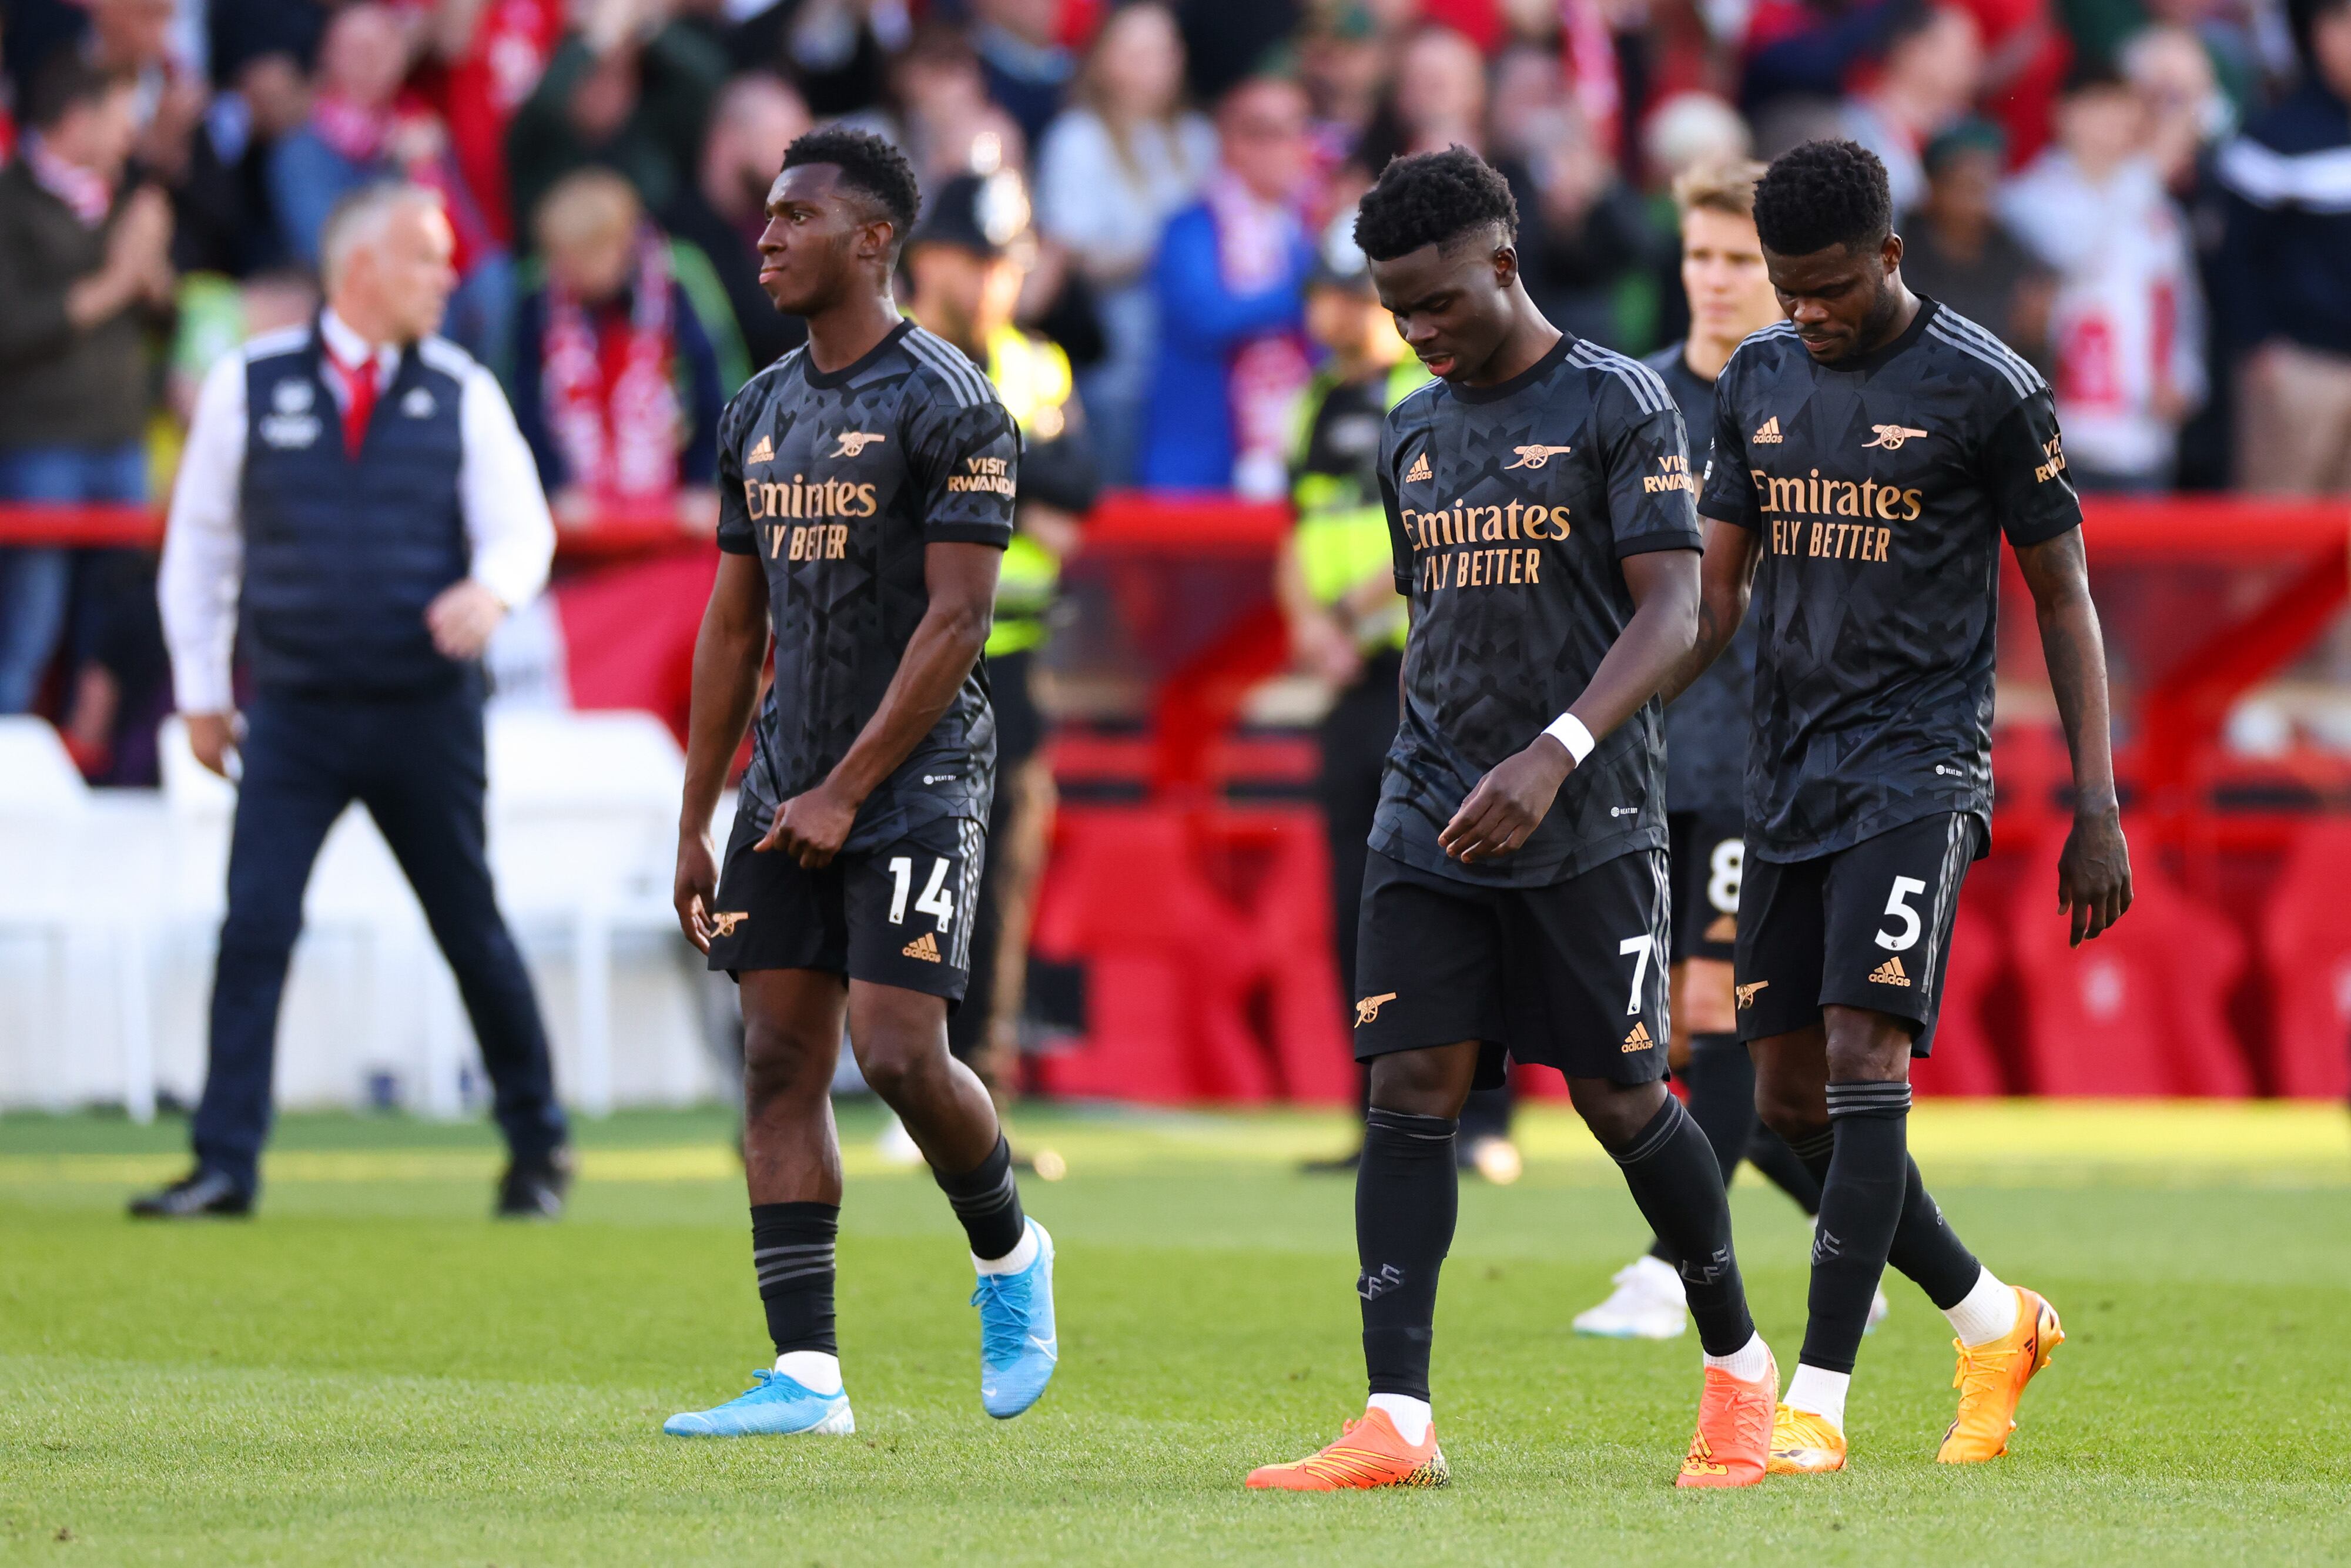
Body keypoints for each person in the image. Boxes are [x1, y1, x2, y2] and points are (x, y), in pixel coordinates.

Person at [1246, 148, 1778, 1495]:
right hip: (1426, 810)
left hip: (1585, 813)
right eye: (1394, 308)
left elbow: (1677, 611)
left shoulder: (1616, 404)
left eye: (1433, 301)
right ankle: (1395, 1420)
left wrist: (1553, 750)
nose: (1415, 330)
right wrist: (1441, 767)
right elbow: (1437, 621)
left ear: (1501, 262)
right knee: (1408, 1093)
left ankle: (1737, 1375)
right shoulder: (1412, 428)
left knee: (1616, 1097)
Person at [1681, 139, 2132, 1473]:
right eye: (1784, 286)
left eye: (1825, 286)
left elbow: (2063, 597)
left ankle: (1816, 1398)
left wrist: (2093, 807)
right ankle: (1994, 1317)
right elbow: (1712, 597)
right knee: (1778, 1106)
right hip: (1783, 775)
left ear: (1888, 257)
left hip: (1916, 766)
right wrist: (1604, 724)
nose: (1803, 311)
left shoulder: (1987, 388)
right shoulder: (1754, 378)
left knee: (1868, 1061)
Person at [664, 126, 1057, 1439]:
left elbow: (957, 624)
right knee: (776, 1056)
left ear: (873, 238)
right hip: (781, 782)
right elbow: (731, 626)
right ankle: (806, 1377)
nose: (765, 236)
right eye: (765, 215)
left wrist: (845, 787)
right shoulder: (757, 407)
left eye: (795, 217)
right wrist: (697, 817)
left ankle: (1009, 1255)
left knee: (895, 1050)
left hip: (917, 777)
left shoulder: (954, 402)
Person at [136, 182, 574, 1219]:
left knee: (471, 926)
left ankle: (538, 1147)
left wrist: (493, 589)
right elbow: (197, 546)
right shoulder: (249, 383)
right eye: (428, 257)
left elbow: (525, 528)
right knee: (255, 928)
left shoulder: (461, 386)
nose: (447, 276)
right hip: (293, 711)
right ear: (362, 269)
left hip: (426, 711)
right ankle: (225, 1162)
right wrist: (203, 692)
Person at [1573, 160, 1886, 1342]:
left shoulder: (1816, 399)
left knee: (1713, 1007)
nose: (1712, 282)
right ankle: (1894, 1234)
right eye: (1698, 259)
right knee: (1662, 1023)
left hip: (1773, 757)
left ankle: (1671, 1265)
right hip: (1651, 757)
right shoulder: (1636, 399)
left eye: (1735, 262)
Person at [1276, 226, 1519, 1182]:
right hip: (1350, 680)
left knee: (1462, 890)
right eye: (1326, 292)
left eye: (1354, 293)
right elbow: (1295, 528)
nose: (1337, 310)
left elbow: (1435, 532)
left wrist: (1339, 613)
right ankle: (1379, 1110)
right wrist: (1311, 624)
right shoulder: (1312, 403)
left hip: (1434, 680)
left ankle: (1487, 1119)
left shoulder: (1419, 398)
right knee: (1357, 899)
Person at [900, 170, 1100, 1099]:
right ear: (930, 259)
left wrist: (967, 465)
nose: (994, 283)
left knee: (1000, 875)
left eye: (1007, 263)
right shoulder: (885, 356)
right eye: (978, 260)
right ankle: (896, 1070)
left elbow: (1072, 517)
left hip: (1011, 654)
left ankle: (977, 1087)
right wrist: (1013, 472)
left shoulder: (1037, 366)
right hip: (899, 657)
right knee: (898, 864)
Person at [0, 56, 172, 719]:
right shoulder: (11, 202)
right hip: (40, 441)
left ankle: (108, 757)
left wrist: (154, 276)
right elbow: (12, 328)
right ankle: (13, 756)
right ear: (78, 119)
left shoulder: (128, 200)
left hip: (120, 435)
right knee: (31, 616)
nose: (130, 136)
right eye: (119, 119)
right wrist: (119, 281)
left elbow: (162, 320)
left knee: (120, 615)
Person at [2000, 61, 2206, 492]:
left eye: (2122, 107)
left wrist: (2185, 378)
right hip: (2062, 433)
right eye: (2100, 106)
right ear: (2065, 113)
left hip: (2145, 433)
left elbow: (2181, 302)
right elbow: (2074, 253)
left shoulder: (2157, 209)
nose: (2114, 121)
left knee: (2144, 557)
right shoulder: (2027, 198)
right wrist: (2145, 175)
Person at [1033, 2, 1215, 486]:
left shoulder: (1198, 139)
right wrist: (1167, 256)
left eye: (1162, 50)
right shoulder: (1077, 140)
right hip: (1116, 364)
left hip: (1190, 368)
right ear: (1104, 58)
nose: (1151, 65)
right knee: (1116, 499)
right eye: (1136, 51)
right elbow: (1073, 257)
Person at [509, 168, 738, 530]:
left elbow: (715, 391)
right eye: (559, 259)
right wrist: (554, 487)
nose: (565, 272)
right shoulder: (537, 305)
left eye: (580, 259)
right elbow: (527, 406)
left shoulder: (675, 292)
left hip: (673, 507)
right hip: (580, 514)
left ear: (619, 247)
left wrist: (702, 482)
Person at [1137, 74, 1315, 497]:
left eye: (1298, 130)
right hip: (1196, 466)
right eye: (1270, 133)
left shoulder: (1302, 233)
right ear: (1233, 143)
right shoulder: (1191, 229)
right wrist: (1306, 292)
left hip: (1286, 457)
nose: (1291, 148)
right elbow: (1204, 316)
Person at [2215, 0, 2351, 493]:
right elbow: (2234, 257)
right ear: (2317, 33)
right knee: (2275, 549)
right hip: (2299, 372)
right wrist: (2259, 347)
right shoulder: (2273, 137)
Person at [658, 72, 812, 374]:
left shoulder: (782, 219)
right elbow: (751, 330)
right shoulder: (677, 235)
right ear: (730, 139)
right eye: (785, 141)